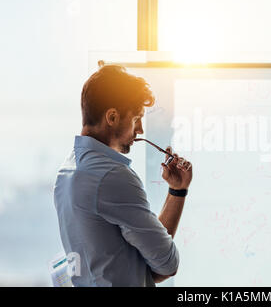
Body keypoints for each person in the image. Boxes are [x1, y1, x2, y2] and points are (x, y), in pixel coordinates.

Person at [53, 65, 192, 286]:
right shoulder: (112, 177)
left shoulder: (67, 172)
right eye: (136, 118)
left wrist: (176, 190)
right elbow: (166, 264)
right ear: (112, 117)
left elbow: (145, 263)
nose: (140, 130)